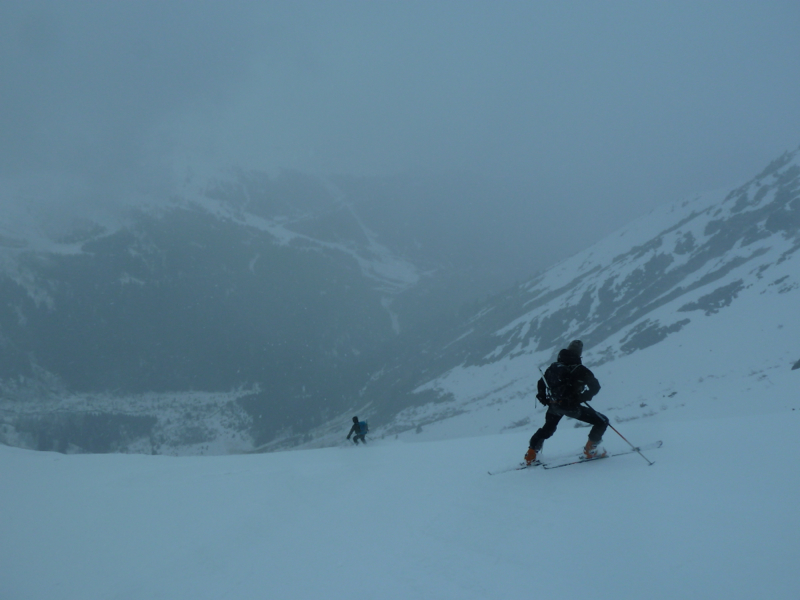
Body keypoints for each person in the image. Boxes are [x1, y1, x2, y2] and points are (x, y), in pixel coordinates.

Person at [524, 340, 608, 465]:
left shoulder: (553, 367)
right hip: (570, 407)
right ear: (579, 353)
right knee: (602, 421)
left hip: (554, 405)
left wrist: (544, 398)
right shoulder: (580, 370)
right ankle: (590, 450)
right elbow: (595, 387)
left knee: (547, 429)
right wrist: (581, 397)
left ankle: (531, 454)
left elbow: (541, 383)